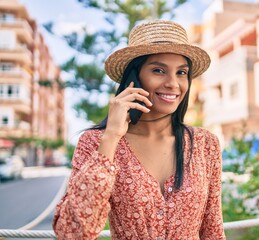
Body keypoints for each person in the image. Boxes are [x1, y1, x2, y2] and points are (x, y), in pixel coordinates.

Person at [53, 19, 226, 240]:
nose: (173, 83)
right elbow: (72, 234)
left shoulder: (204, 144)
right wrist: (111, 138)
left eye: (181, 73)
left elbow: (213, 231)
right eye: (158, 70)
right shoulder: (96, 142)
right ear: (134, 78)